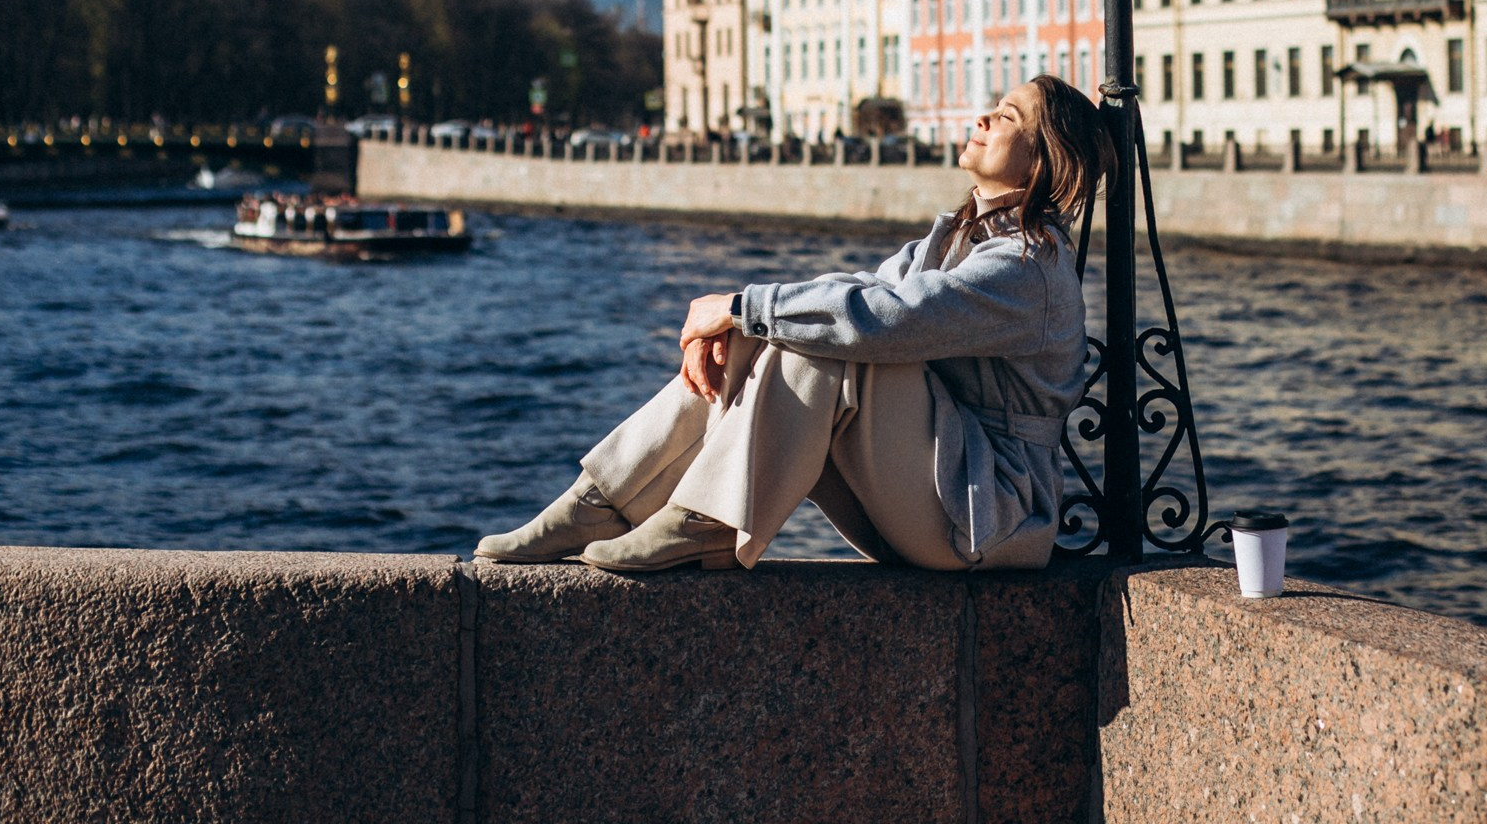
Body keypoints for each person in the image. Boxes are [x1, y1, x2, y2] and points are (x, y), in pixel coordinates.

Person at [474, 75, 1114, 574]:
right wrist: (742, 320)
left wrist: (743, 307)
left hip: (989, 515)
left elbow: (886, 319)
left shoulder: (1029, 266)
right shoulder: (959, 236)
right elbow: (863, 290)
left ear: (1040, 162)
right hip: (934, 493)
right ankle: (602, 503)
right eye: (992, 107)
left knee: (823, 339)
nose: (982, 118)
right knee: (794, 325)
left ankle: (709, 524)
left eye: (1005, 118)